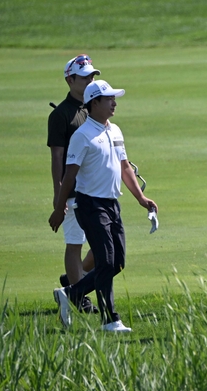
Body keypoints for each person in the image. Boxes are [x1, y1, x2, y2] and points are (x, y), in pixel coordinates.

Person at [50, 80, 157, 332]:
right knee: (106, 262)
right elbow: (70, 175)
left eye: (114, 98)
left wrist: (142, 199)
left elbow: (124, 167)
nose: (114, 103)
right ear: (93, 103)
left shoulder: (116, 130)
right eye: (108, 99)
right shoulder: (82, 136)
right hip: (90, 205)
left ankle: (71, 294)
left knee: (117, 262)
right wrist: (59, 207)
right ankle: (110, 319)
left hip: (112, 205)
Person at [47, 54, 99, 314]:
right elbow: (57, 157)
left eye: (92, 75)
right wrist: (60, 197)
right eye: (85, 76)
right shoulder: (61, 115)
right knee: (75, 243)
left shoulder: (93, 107)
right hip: (73, 190)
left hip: (95, 188)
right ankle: (79, 297)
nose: (90, 79)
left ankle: (73, 281)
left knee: (104, 247)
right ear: (70, 79)